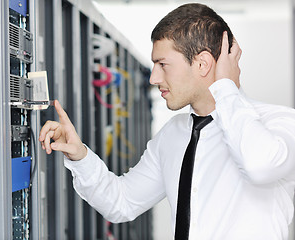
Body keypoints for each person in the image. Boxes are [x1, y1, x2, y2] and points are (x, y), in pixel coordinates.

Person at [39, 3, 295, 240]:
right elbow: (122, 202)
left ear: (202, 64)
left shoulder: (279, 123)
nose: (153, 78)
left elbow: (259, 166)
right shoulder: (173, 134)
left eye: (163, 64)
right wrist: (79, 155)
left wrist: (226, 87)